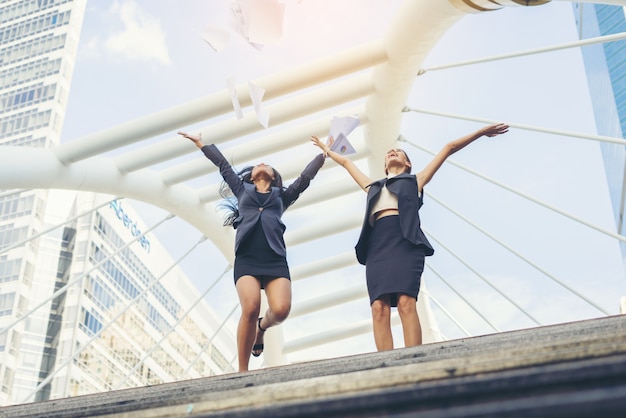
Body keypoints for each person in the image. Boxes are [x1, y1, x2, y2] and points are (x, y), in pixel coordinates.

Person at [311, 123, 509, 351]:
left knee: (406, 303)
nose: (391, 153)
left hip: (405, 243)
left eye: (398, 152)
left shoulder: (416, 181)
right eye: (388, 153)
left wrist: (480, 133)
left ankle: (413, 358)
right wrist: (326, 149)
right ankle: (385, 363)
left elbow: (449, 147)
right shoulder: (373, 187)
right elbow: (347, 163)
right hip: (378, 246)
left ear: (408, 164)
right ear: (384, 166)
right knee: (378, 307)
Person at [179, 131, 326, 371]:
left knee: (280, 310)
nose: (262, 164)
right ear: (252, 177)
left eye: (267, 165)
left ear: (273, 176)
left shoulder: (282, 196)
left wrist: (324, 154)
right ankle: (242, 371)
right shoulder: (242, 190)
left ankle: (261, 328)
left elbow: (304, 179)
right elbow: (223, 166)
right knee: (250, 307)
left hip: (274, 259)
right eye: (259, 164)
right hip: (247, 258)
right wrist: (202, 144)